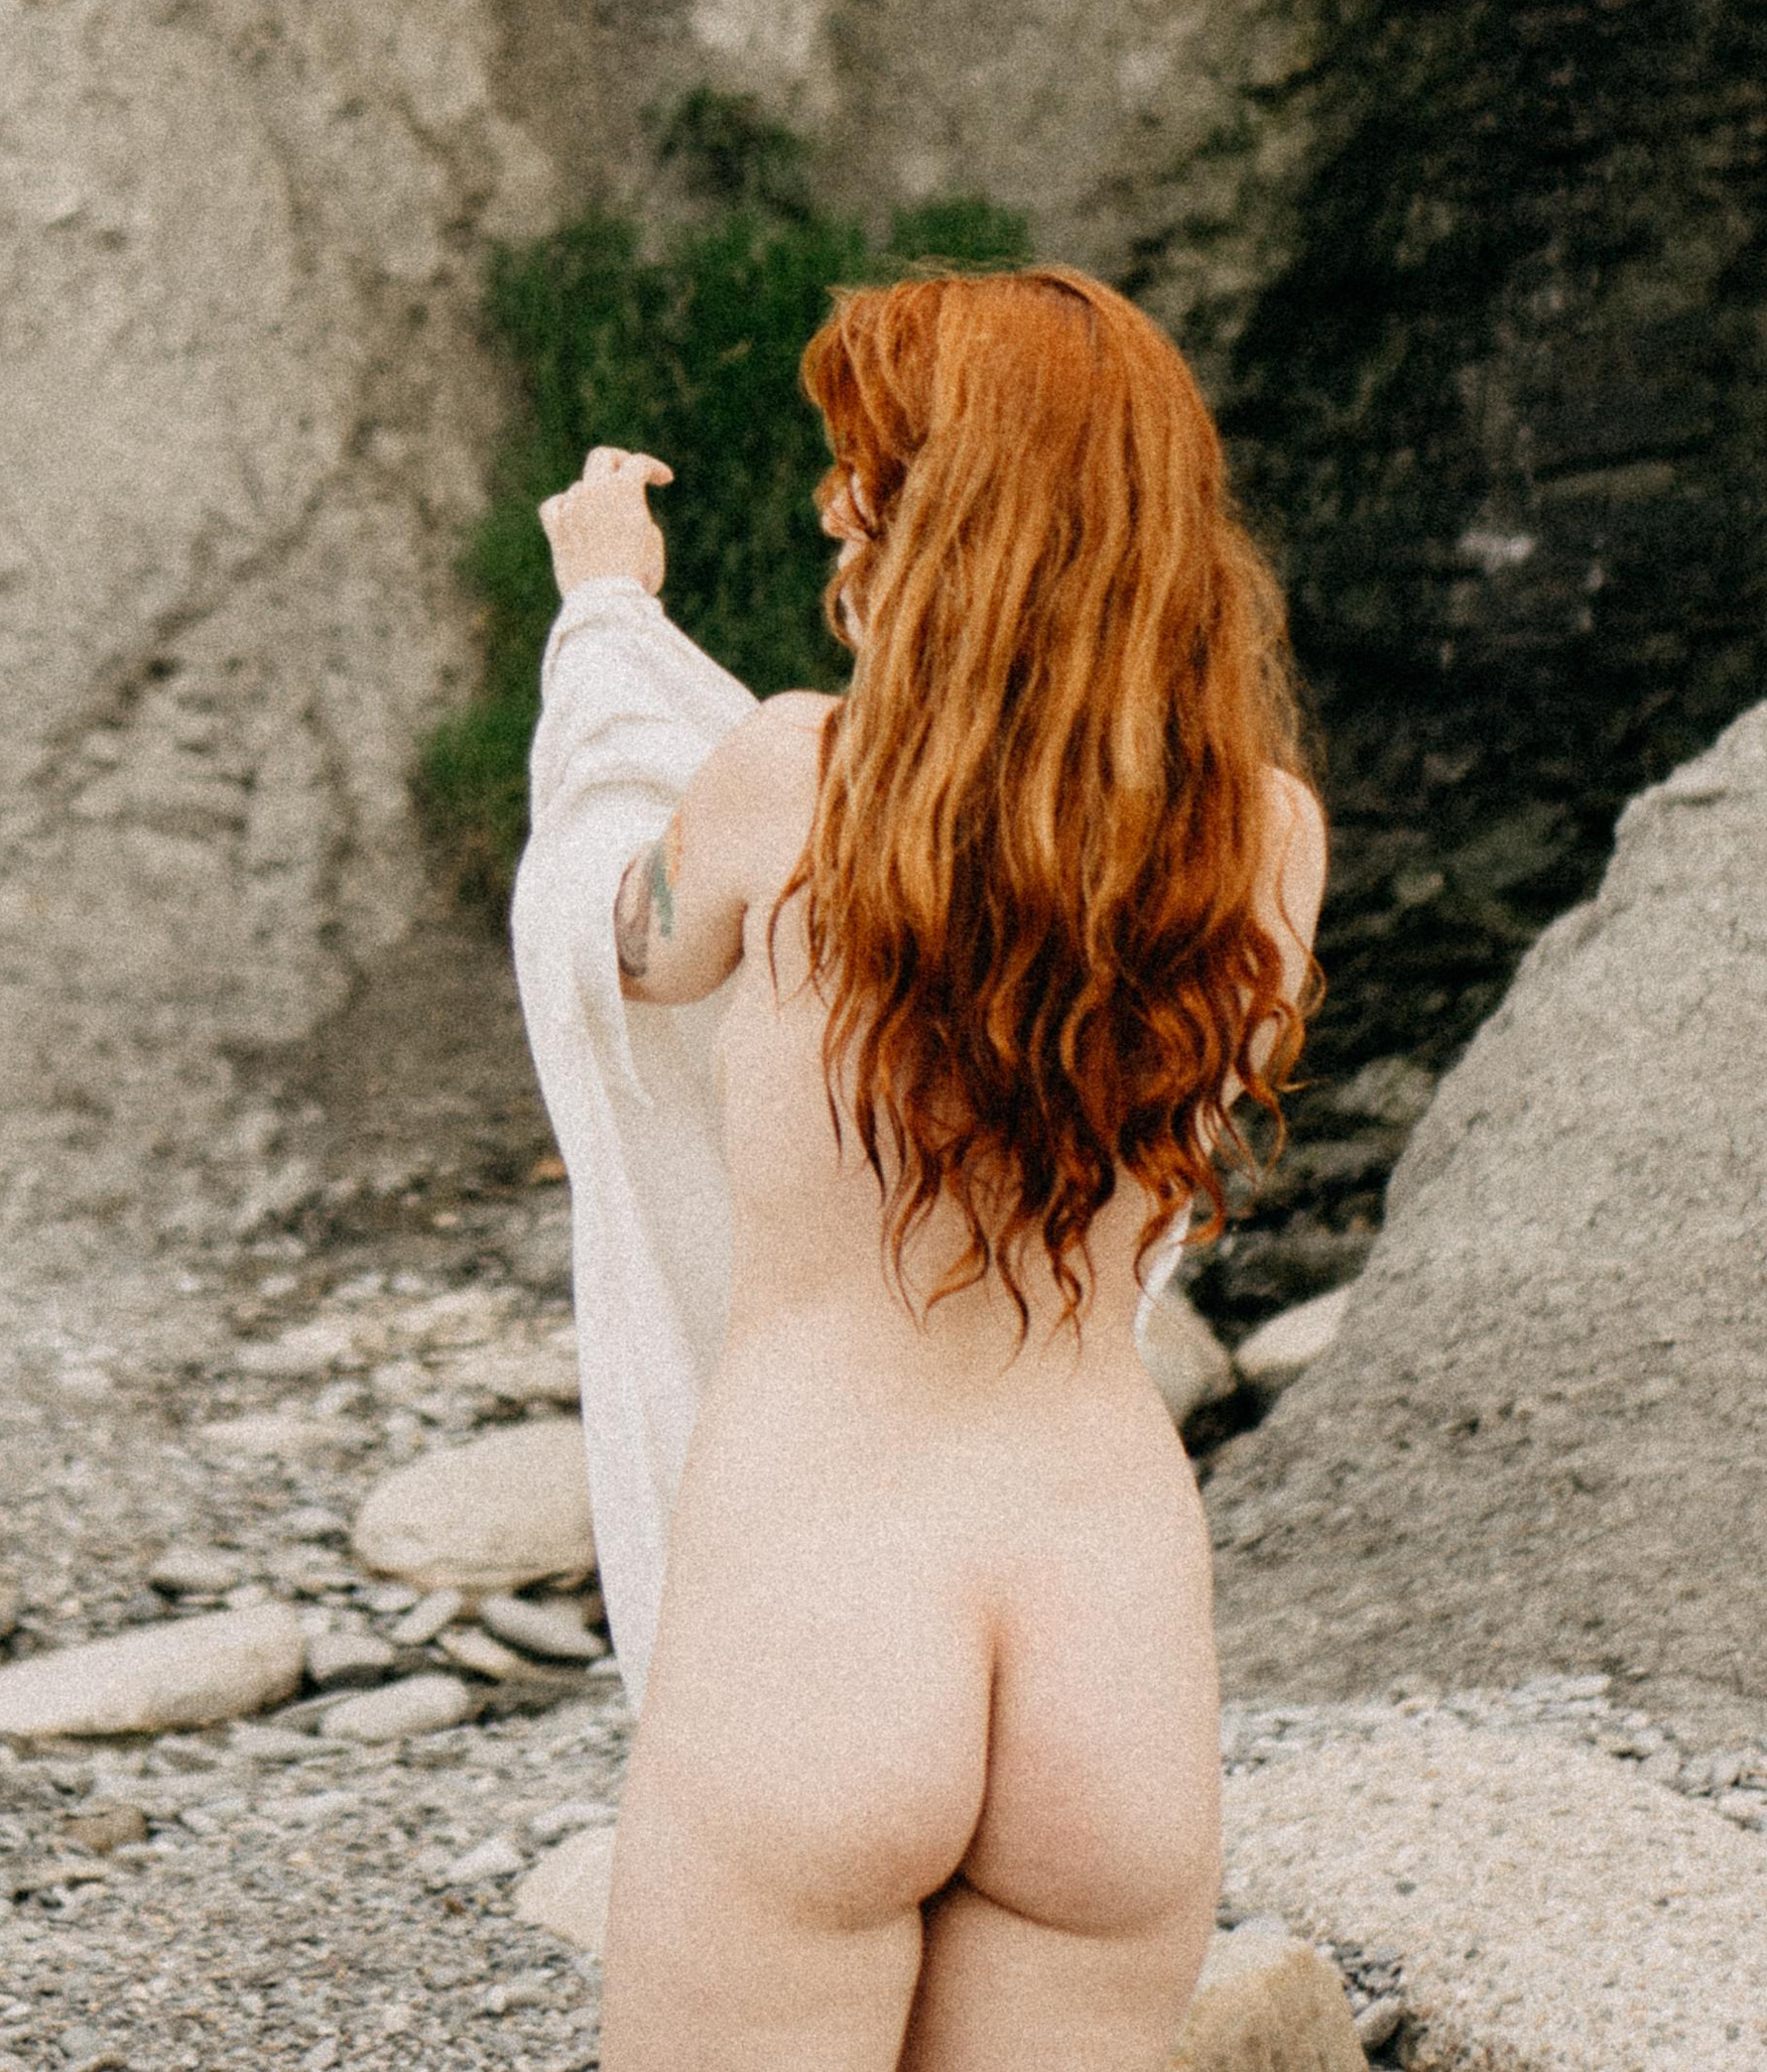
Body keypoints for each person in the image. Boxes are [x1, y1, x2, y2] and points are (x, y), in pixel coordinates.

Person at [519, 265, 1325, 2072]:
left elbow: (611, 939)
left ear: (938, 511)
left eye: (866, 466)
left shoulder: (787, 780)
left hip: (824, 1595)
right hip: (1108, 1632)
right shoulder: (1264, 839)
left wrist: (602, 621)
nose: (833, 503)